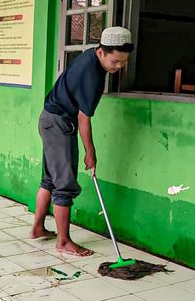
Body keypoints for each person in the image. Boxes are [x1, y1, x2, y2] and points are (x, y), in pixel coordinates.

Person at [30, 26, 134, 256]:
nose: (118, 67)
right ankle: (64, 242)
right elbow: (83, 118)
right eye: (115, 61)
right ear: (102, 52)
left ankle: (38, 228)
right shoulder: (93, 75)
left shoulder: (90, 56)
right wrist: (90, 152)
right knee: (64, 184)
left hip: (49, 120)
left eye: (123, 62)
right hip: (59, 124)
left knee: (51, 178)